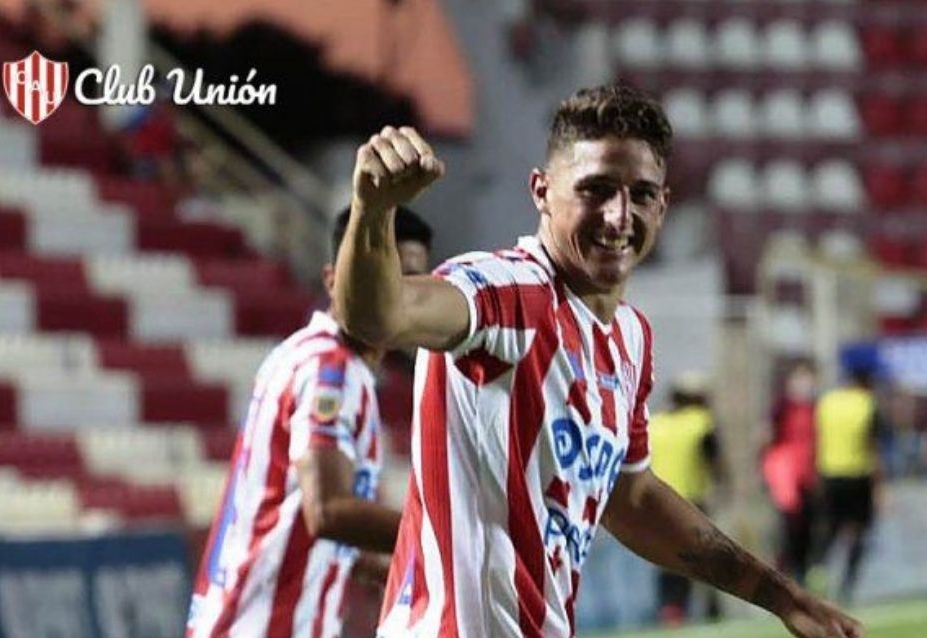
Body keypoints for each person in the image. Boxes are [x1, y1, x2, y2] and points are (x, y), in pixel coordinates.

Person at [333, 84, 864, 638]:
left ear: (662, 205)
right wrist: (374, 209)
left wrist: (782, 597)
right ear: (541, 192)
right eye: (596, 190)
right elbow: (378, 316)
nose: (618, 216)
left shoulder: (630, 338)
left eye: (641, 194)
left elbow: (632, 498)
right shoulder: (507, 292)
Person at [186, 207, 432, 638]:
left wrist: (375, 568)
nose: (393, 292)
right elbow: (327, 510)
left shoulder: (310, 355)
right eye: (378, 274)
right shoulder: (330, 369)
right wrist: (439, 537)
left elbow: (303, 518)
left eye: (410, 280)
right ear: (334, 280)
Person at [649, 372, 726, 626]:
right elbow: (714, 460)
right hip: (691, 500)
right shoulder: (701, 422)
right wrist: (722, 485)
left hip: (657, 502)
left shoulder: (655, 423)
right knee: (705, 557)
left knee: (667, 558)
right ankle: (712, 610)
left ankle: (671, 609)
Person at [815, 365, 885, 605]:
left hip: (829, 474)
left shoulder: (826, 403)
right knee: (858, 530)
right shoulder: (867, 404)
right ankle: (847, 585)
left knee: (830, 529)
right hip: (858, 475)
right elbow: (873, 447)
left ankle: (818, 576)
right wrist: (879, 487)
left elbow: (816, 439)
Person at [762, 358, 820, 586]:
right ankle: (784, 575)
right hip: (786, 473)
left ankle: (801, 574)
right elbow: (768, 438)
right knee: (790, 526)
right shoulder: (782, 408)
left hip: (808, 473)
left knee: (808, 527)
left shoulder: (815, 409)